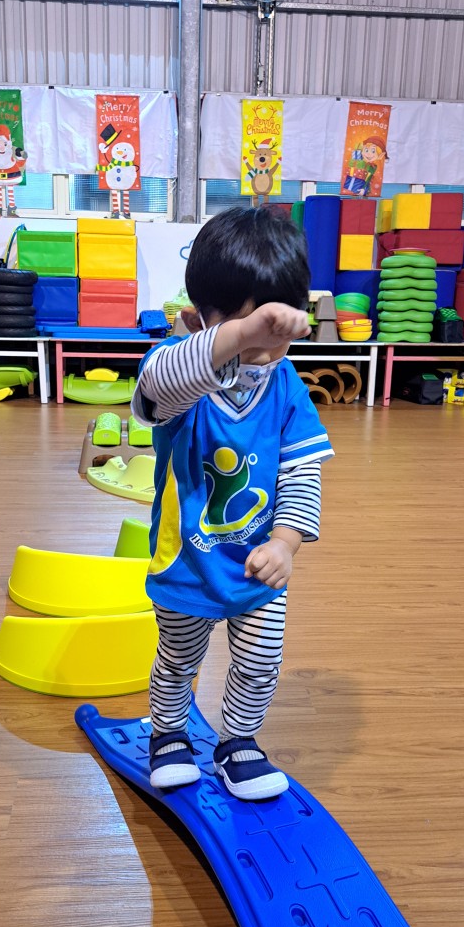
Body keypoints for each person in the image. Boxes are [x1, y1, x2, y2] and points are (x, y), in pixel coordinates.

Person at [130, 207, 334, 801]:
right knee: (178, 657)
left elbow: (302, 471)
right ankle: (169, 732)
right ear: (200, 321)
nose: (264, 350)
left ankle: (238, 741)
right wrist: (238, 338)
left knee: (260, 660)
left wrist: (286, 543)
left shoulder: (287, 389)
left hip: (255, 565)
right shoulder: (181, 371)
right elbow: (155, 388)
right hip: (186, 563)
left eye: (276, 333)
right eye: (249, 330)